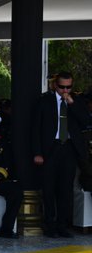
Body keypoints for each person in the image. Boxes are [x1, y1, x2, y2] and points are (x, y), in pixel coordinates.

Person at [32, 71, 91, 238]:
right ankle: (50, 225)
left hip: (69, 148)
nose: (65, 90)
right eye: (62, 87)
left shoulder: (76, 101)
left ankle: (62, 225)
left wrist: (72, 103)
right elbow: (36, 128)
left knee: (66, 189)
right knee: (49, 188)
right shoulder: (44, 101)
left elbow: (86, 121)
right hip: (50, 148)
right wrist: (37, 152)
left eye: (69, 87)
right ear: (55, 85)